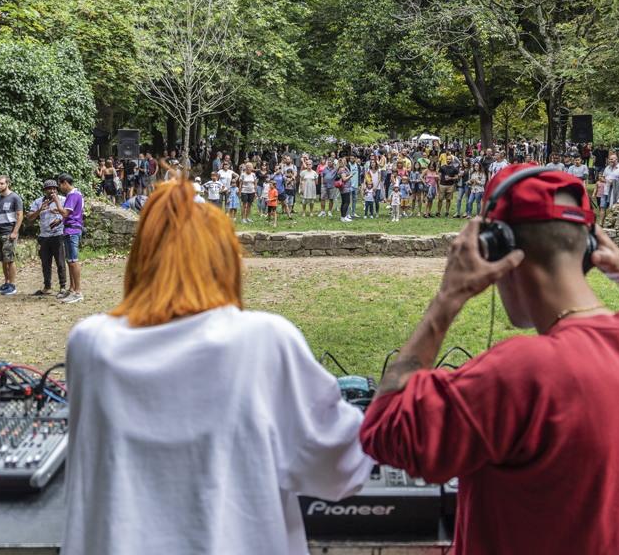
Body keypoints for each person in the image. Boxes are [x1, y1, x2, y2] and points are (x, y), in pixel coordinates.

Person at [358, 166, 619, 555]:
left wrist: (448, 298)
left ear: (494, 250)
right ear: (589, 249)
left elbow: (384, 429)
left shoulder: (518, 374)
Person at [61, 181, 373, 555]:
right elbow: (339, 466)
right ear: (225, 260)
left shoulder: (89, 344)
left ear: (141, 258)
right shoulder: (263, 339)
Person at [27, 179, 68, 297]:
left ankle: (63, 287)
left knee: (60, 261)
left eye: (54, 188)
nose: (52, 191)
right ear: (45, 190)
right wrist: (40, 209)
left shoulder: (63, 200)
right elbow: (29, 217)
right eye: (49, 189)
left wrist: (58, 210)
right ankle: (47, 287)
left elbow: (70, 214)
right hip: (44, 236)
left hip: (58, 234)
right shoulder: (38, 201)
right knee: (45, 262)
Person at [0, 175, 23, 296]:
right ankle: (6, 282)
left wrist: (15, 231)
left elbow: (20, 215)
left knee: (10, 259)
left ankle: (12, 285)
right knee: (3, 260)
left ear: (7, 184)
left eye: (1, 183)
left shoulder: (15, 198)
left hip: (9, 231)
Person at [57, 174, 85, 303]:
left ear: (65, 183)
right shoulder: (75, 194)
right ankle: (72, 289)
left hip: (72, 231)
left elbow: (65, 213)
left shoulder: (73, 195)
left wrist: (56, 201)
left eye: (59, 185)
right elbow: (68, 214)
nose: (59, 188)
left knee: (74, 261)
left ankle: (78, 292)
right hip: (69, 229)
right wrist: (59, 219)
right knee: (69, 261)